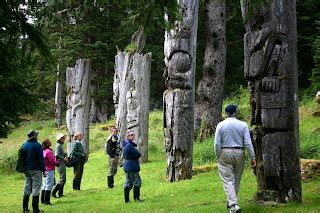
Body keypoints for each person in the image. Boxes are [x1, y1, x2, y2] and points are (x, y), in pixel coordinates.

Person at [214, 104, 256, 213]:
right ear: (235, 112)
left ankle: (233, 204)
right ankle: (232, 204)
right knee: (236, 179)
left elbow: (217, 143)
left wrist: (218, 155)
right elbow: (247, 142)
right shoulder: (243, 125)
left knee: (228, 180)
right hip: (239, 152)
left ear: (226, 113)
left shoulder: (220, 125)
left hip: (225, 151)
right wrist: (253, 157)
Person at [21, 129, 45, 213]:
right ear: (34, 136)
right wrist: (44, 170)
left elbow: (22, 158)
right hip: (36, 170)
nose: (37, 135)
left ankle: (25, 208)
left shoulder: (24, 145)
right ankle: (35, 209)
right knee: (36, 188)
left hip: (26, 170)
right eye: (36, 134)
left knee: (27, 187)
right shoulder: (37, 145)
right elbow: (41, 159)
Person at [123, 131, 143, 203]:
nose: (133, 136)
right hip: (132, 166)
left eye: (133, 135)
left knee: (128, 182)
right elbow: (137, 154)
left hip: (128, 166)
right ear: (127, 137)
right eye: (131, 135)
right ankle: (136, 199)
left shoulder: (127, 145)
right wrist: (138, 153)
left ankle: (127, 200)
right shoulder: (129, 146)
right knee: (137, 182)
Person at [41, 139, 59, 205]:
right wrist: (58, 162)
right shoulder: (48, 151)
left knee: (45, 185)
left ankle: (42, 200)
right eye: (49, 141)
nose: (50, 141)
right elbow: (52, 161)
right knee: (49, 185)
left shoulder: (43, 151)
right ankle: (47, 201)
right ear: (47, 144)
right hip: (49, 169)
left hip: (45, 170)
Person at [51, 133, 68, 198]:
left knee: (63, 179)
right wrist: (64, 158)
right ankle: (53, 192)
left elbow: (60, 154)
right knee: (62, 180)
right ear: (59, 139)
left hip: (62, 164)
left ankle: (60, 194)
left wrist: (65, 155)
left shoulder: (60, 145)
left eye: (64, 138)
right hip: (60, 164)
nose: (64, 139)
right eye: (62, 138)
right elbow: (56, 155)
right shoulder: (58, 146)